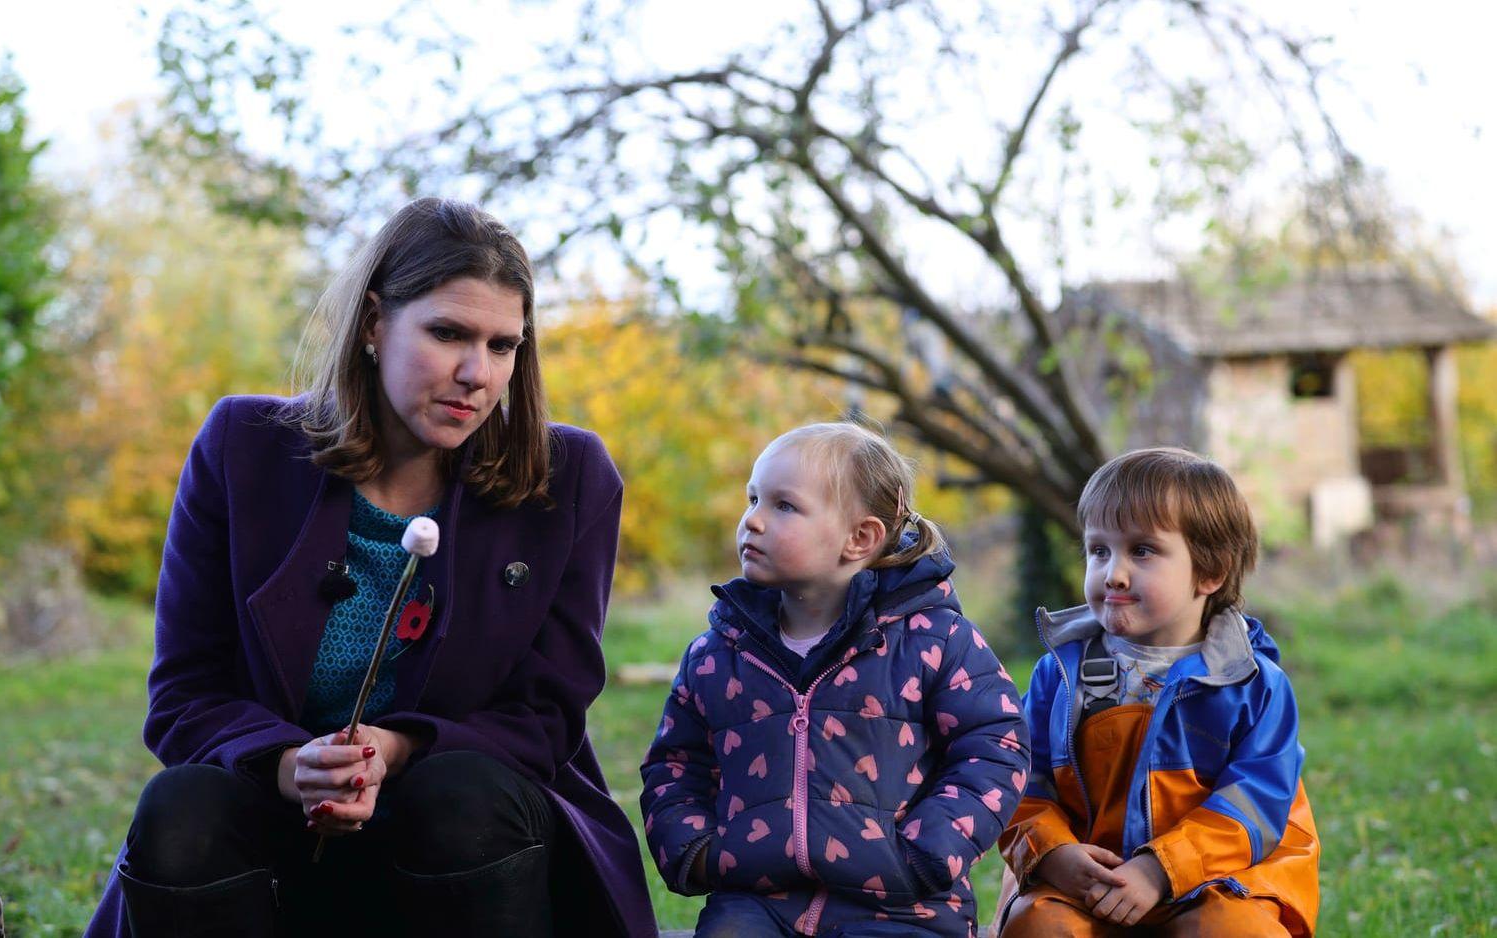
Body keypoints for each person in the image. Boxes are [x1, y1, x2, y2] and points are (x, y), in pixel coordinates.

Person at [85, 198, 656, 938]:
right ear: (373, 323)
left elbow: (546, 716)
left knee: (462, 794)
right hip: (277, 828)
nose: (475, 373)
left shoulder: (568, 478)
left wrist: (400, 747)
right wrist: (290, 764)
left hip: (466, 842)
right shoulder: (243, 447)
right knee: (182, 807)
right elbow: (185, 696)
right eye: (447, 332)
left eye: (503, 345)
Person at [641, 423, 1031, 937]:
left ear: (860, 538)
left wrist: (925, 855)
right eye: (752, 498)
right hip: (757, 901)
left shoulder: (934, 639)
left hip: (902, 907)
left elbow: (995, 745)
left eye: (783, 506)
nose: (751, 521)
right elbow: (676, 762)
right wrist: (693, 849)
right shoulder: (718, 653)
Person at [992, 447, 1320, 937]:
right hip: (1090, 888)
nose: (1113, 573)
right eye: (1099, 550)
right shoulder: (1058, 675)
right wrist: (1054, 853)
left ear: (1210, 571)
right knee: (1039, 924)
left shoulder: (1255, 686)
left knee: (1236, 931)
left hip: (1221, 883)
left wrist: (1159, 870)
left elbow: (1259, 802)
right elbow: (1019, 782)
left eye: (1142, 550)